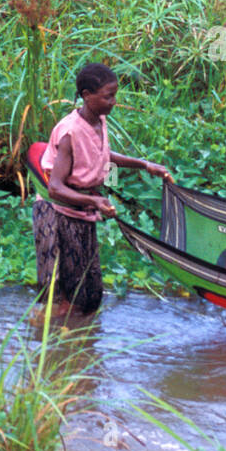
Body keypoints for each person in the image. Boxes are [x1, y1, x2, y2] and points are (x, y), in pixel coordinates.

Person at [32, 62, 172, 315]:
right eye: (108, 96)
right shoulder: (69, 133)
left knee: (89, 293)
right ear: (87, 96)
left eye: (115, 95)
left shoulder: (99, 120)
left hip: (83, 212)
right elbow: (55, 188)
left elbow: (103, 152)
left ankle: (75, 344)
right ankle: (53, 341)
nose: (114, 101)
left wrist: (144, 165)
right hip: (60, 215)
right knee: (68, 295)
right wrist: (95, 202)